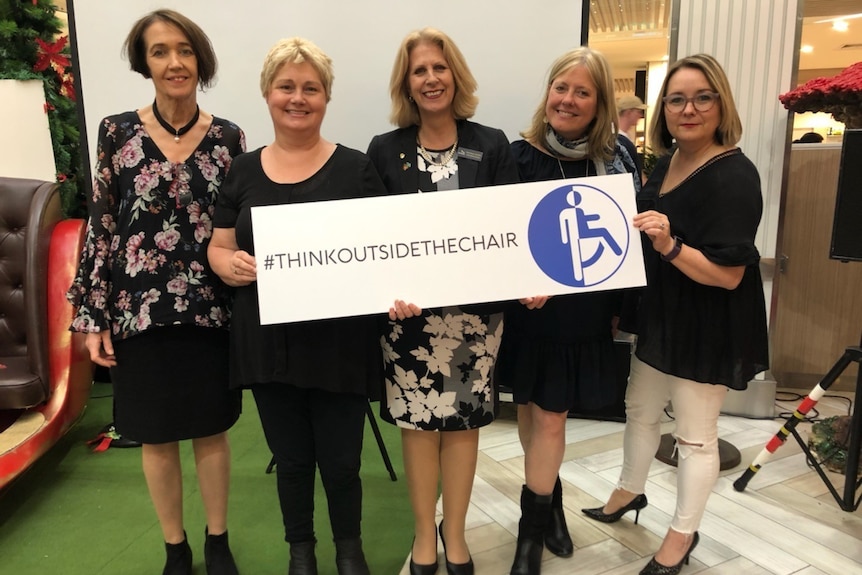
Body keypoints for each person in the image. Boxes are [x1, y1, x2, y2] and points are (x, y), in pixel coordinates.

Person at [66, 9, 244, 575]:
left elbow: (240, 224)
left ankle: (218, 541)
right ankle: (177, 549)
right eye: (161, 51)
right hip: (136, 311)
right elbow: (101, 224)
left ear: (201, 59)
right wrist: (91, 315)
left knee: (211, 428)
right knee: (154, 435)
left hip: (210, 311)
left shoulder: (229, 138)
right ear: (145, 62)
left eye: (185, 50)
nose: (175, 62)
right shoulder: (116, 132)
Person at [582, 54, 769, 575]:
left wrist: (669, 245)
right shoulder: (666, 163)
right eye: (677, 99)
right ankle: (628, 491)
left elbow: (729, 274)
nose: (689, 109)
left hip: (706, 324)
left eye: (702, 97)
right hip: (661, 314)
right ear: (663, 108)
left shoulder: (735, 174)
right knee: (640, 410)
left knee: (694, 435)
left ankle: (681, 535)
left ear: (721, 104)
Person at [208, 37, 384, 575]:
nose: (297, 97)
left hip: (339, 343)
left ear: (327, 98)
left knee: (342, 462)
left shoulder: (357, 169)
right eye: (286, 86)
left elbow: (382, 250)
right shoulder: (241, 170)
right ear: (267, 93)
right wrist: (227, 263)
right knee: (290, 461)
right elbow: (218, 244)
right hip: (268, 342)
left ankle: (348, 552)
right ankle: (300, 552)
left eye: (311, 88)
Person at [366, 27, 518, 575]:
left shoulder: (493, 143)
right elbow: (373, 240)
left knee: (464, 425)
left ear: (455, 75)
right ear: (406, 84)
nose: (430, 79)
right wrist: (388, 293)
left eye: (439, 67)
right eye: (419, 71)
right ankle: (422, 536)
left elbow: (511, 230)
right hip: (409, 320)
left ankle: (455, 535)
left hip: (476, 319)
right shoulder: (385, 151)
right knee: (418, 426)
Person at [493, 46, 640, 575]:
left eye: (582, 91)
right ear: (548, 93)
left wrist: (624, 308)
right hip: (526, 311)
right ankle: (548, 505)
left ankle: (527, 543)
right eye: (561, 87)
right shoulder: (517, 155)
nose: (568, 99)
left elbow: (623, 244)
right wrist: (520, 282)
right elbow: (502, 236)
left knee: (552, 415)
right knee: (531, 413)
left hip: (580, 313)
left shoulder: (617, 161)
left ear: (598, 102)